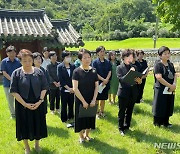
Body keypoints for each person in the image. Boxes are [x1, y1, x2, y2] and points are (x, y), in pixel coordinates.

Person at [10, 49, 48, 154]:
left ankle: (37, 145)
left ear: (32, 60)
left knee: (38, 123)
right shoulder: (16, 73)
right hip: (22, 105)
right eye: (24, 61)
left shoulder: (39, 72)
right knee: (24, 125)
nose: (27, 63)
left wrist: (40, 100)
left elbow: (44, 87)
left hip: (38, 103)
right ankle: (27, 147)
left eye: (29, 60)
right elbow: (13, 91)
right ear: (20, 61)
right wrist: (25, 104)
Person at [72, 49, 99, 143]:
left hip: (92, 98)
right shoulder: (76, 72)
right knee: (80, 118)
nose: (87, 59)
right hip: (80, 99)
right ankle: (81, 136)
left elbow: (96, 87)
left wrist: (94, 99)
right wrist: (83, 101)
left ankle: (87, 135)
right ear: (80, 59)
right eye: (84, 58)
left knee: (90, 117)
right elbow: (75, 88)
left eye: (89, 57)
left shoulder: (94, 71)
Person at [116, 49, 142, 136]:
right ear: (123, 57)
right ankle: (120, 128)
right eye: (128, 57)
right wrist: (130, 72)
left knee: (130, 110)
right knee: (122, 111)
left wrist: (139, 81)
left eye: (131, 57)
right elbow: (121, 80)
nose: (130, 59)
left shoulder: (135, 67)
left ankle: (127, 126)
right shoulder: (119, 67)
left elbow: (137, 79)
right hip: (123, 92)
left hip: (133, 92)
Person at [152, 46, 177, 127]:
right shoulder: (158, 65)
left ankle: (166, 122)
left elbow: (175, 75)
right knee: (160, 104)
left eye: (168, 53)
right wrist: (169, 85)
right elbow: (159, 77)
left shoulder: (170, 64)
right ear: (160, 55)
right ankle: (157, 122)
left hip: (170, 89)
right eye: (165, 53)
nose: (167, 55)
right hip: (161, 88)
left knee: (168, 104)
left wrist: (174, 85)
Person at [0, 45, 21, 118]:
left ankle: (19, 113)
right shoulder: (4, 62)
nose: (12, 54)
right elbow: (4, 72)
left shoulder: (18, 61)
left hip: (18, 84)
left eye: (13, 52)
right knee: (10, 100)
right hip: (7, 84)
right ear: (7, 53)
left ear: (15, 53)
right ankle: (13, 114)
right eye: (10, 53)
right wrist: (12, 79)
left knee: (19, 99)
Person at [92, 46, 112, 118]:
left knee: (103, 99)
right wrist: (103, 80)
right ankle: (97, 112)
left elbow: (110, 71)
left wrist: (106, 80)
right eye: (101, 51)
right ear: (97, 53)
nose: (103, 53)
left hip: (105, 84)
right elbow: (95, 73)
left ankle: (102, 111)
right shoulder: (94, 62)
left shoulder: (108, 62)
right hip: (98, 83)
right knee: (97, 99)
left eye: (103, 51)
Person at [57, 50, 75, 122]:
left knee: (71, 104)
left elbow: (75, 77)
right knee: (64, 104)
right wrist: (68, 88)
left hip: (72, 89)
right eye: (67, 56)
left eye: (70, 56)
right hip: (64, 89)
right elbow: (61, 79)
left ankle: (71, 116)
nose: (69, 58)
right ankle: (64, 118)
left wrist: (73, 88)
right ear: (63, 57)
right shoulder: (60, 67)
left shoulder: (73, 66)